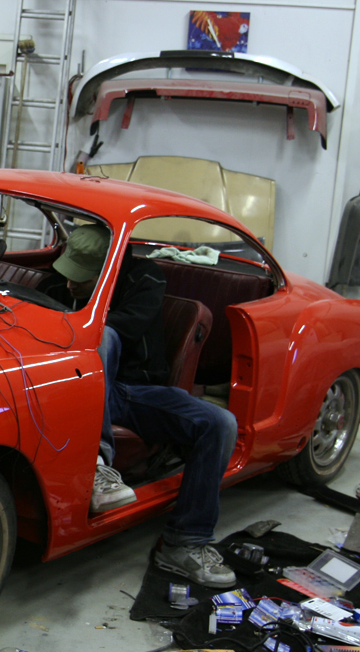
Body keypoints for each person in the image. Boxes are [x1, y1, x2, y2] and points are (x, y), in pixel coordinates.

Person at [52, 224, 238, 588]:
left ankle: (184, 541)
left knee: (220, 423)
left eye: (81, 276)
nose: (69, 283)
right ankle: (96, 464)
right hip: (69, 385)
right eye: (69, 272)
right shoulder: (61, 284)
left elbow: (120, 329)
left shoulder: (145, 280)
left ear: (109, 272)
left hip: (130, 390)